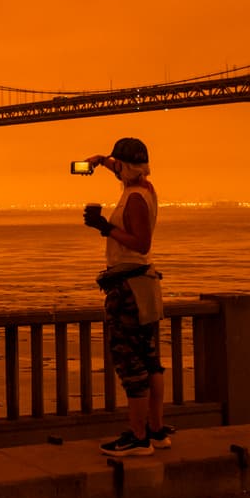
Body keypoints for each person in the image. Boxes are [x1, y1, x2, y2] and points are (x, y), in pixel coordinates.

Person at [81, 136, 172, 457]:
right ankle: (156, 431)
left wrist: (104, 228)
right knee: (150, 361)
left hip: (128, 288)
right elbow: (122, 169)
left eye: (116, 165)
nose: (114, 169)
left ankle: (138, 437)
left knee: (130, 362)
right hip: (144, 286)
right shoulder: (145, 188)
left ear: (124, 166)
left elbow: (141, 243)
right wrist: (100, 160)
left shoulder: (133, 198)